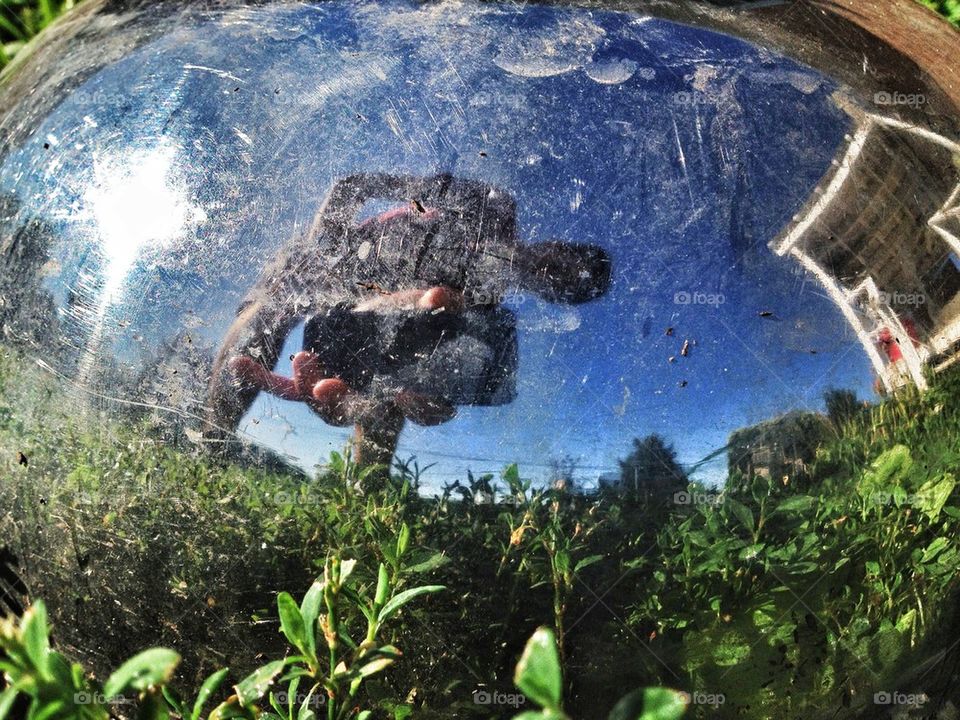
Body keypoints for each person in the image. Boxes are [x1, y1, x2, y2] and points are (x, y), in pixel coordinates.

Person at [206, 172, 611, 468]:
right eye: (559, 265)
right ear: (559, 245)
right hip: (336, 254)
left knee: (389, 388)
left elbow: (417, 337)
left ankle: (366, 511)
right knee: (259, 324)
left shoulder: (488, 290)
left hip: (361, 306)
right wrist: (326, 242)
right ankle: (209, 444)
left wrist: (419, 380)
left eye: (555, 287)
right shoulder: (496, 205)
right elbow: (353, 185)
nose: (543, 274)